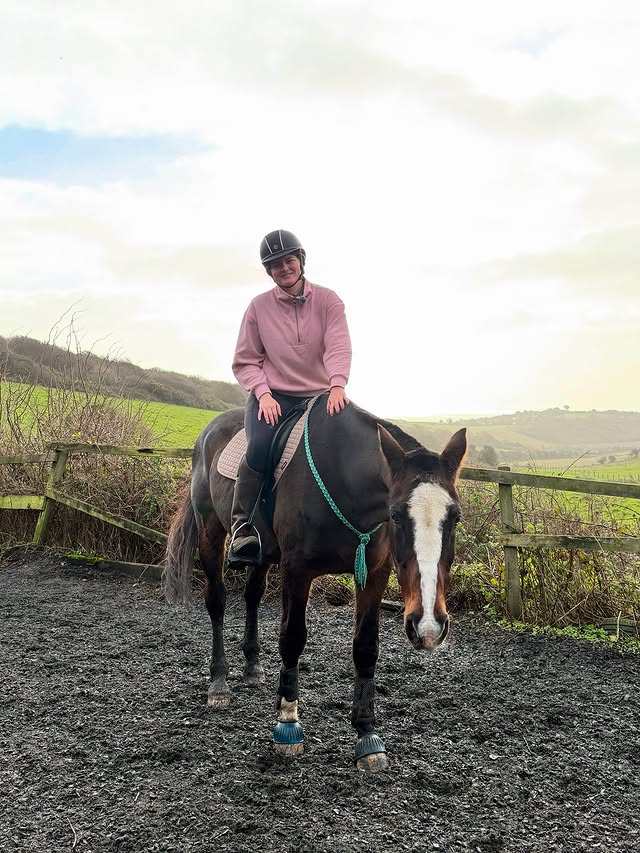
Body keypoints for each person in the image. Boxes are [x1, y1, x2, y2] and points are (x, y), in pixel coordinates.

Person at [228, 229, 352, 564]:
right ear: (269, 271)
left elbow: (338, 346)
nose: (284, 268)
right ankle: (243, 528)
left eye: (289, 260)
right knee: (258, 447)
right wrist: (263, 394)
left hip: (320, 395)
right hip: (274, 396)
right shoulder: (258, 308)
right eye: (276, 264)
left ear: (300, 260)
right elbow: (245, 359)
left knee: (352, 443)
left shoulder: (329, 301)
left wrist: (338, 384)